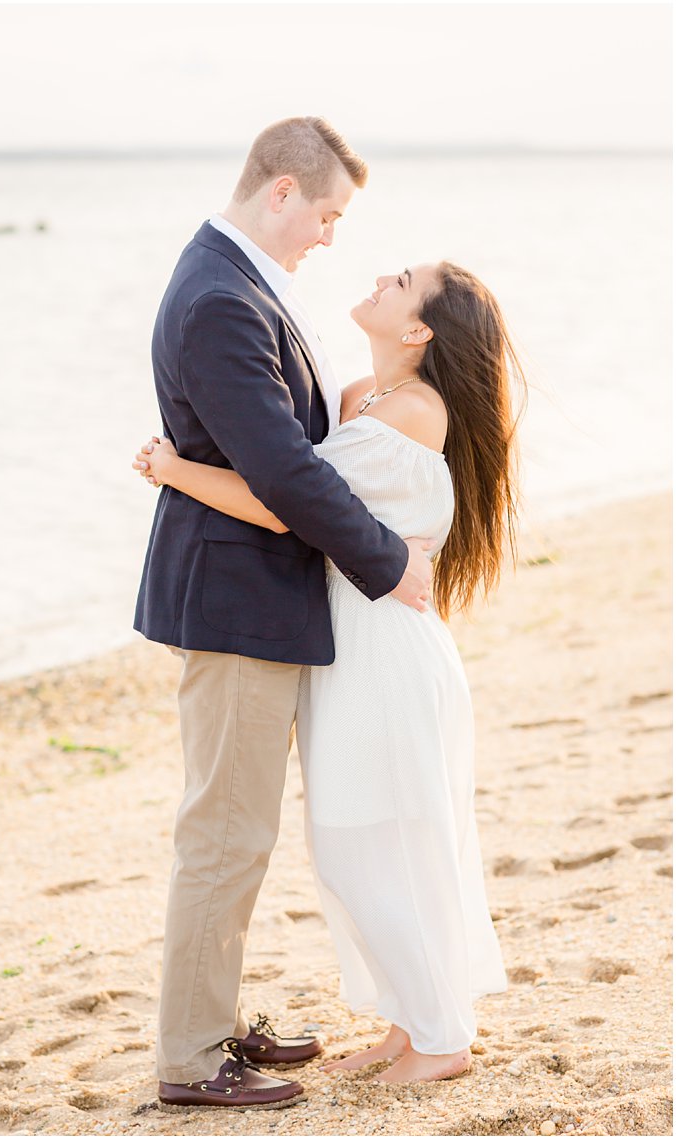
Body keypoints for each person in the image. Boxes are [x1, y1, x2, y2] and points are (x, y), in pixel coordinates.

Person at [138, 262, 517, 1083]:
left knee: (385, 839)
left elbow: (288, 501)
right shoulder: (358, 398)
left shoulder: (416, 411)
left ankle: (443, 1038)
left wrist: (175, 469)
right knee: (355, 841)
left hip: (387, 652)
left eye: (403, 281)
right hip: (346, 644)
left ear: (418, 331)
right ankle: (407, 1023)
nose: (383, 275)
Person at [131, 116, 437, 1111]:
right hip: (233, 599)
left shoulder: (235, 282)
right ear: (278, 192)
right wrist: (387, 560)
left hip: (253, 593)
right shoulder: (220, 296)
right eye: (326, 213)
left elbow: (294, 444)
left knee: (238, 825)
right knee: (222, 830)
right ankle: (190, 1053)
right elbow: (281, 469)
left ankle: (213, 1018)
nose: (329, 235)